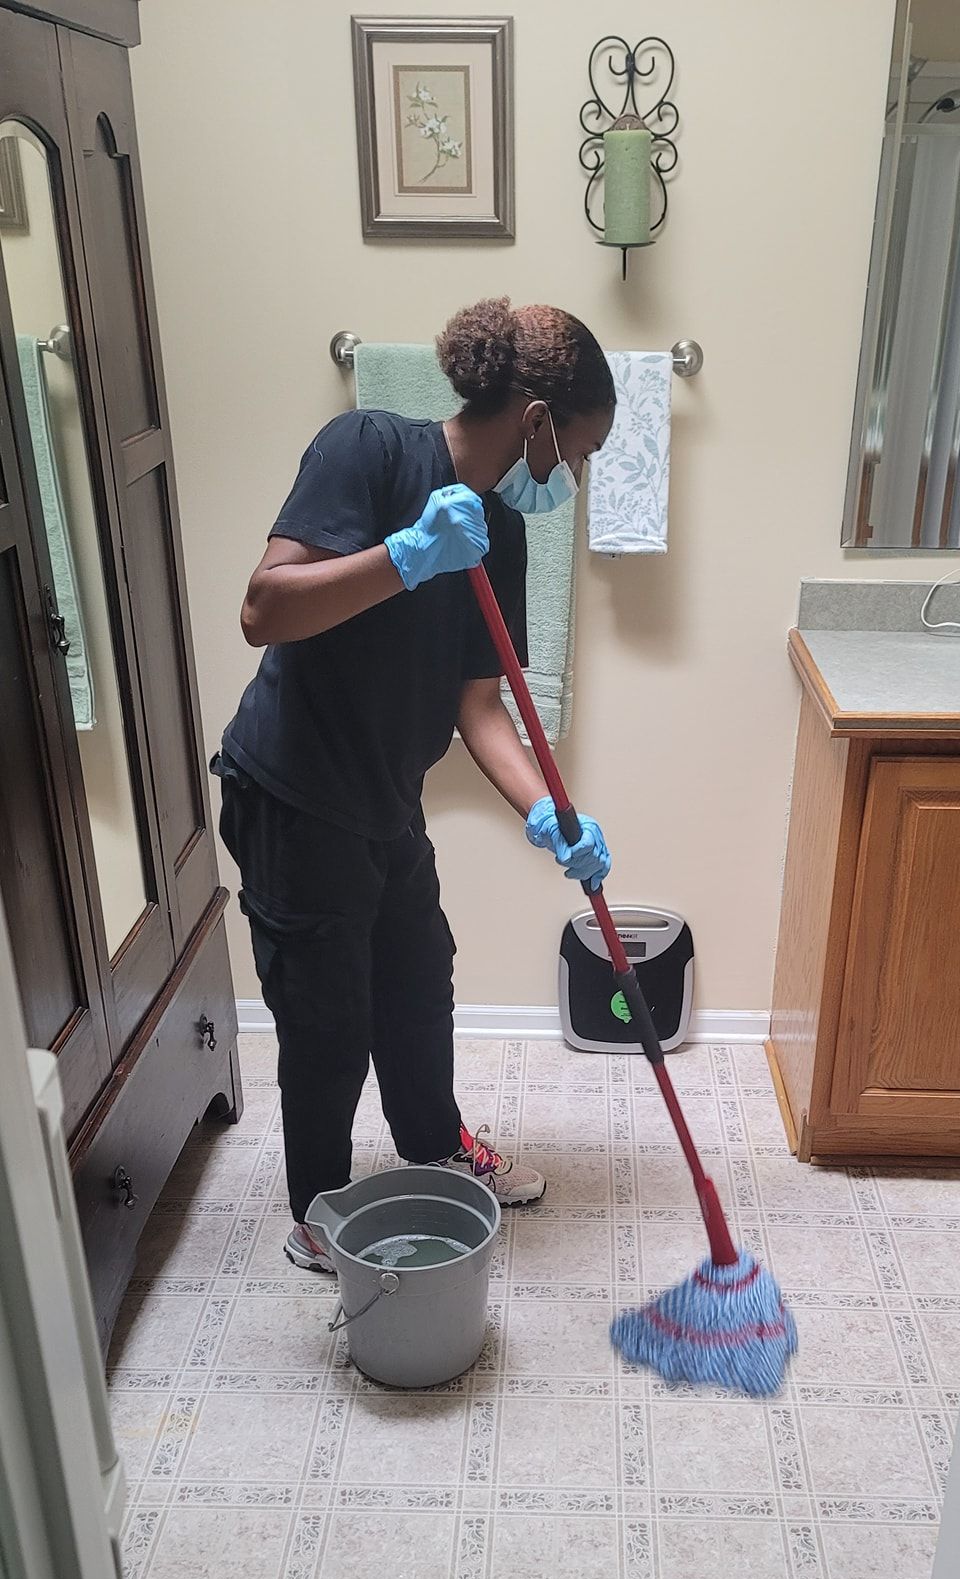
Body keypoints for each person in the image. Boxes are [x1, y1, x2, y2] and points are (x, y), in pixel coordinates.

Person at [214, 298, 617, 1271]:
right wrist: (401, 557)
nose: (572, 474)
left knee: (416, 978)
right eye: (575, 449)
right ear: (534, 420)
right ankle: (318, 1210)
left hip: (384, 799)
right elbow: (264, 609)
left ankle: (434, 1145)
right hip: (293, 791)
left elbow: (481, 708)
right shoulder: (369, 450)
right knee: (327, 1018)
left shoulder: (501, 536)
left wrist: (551, 811)